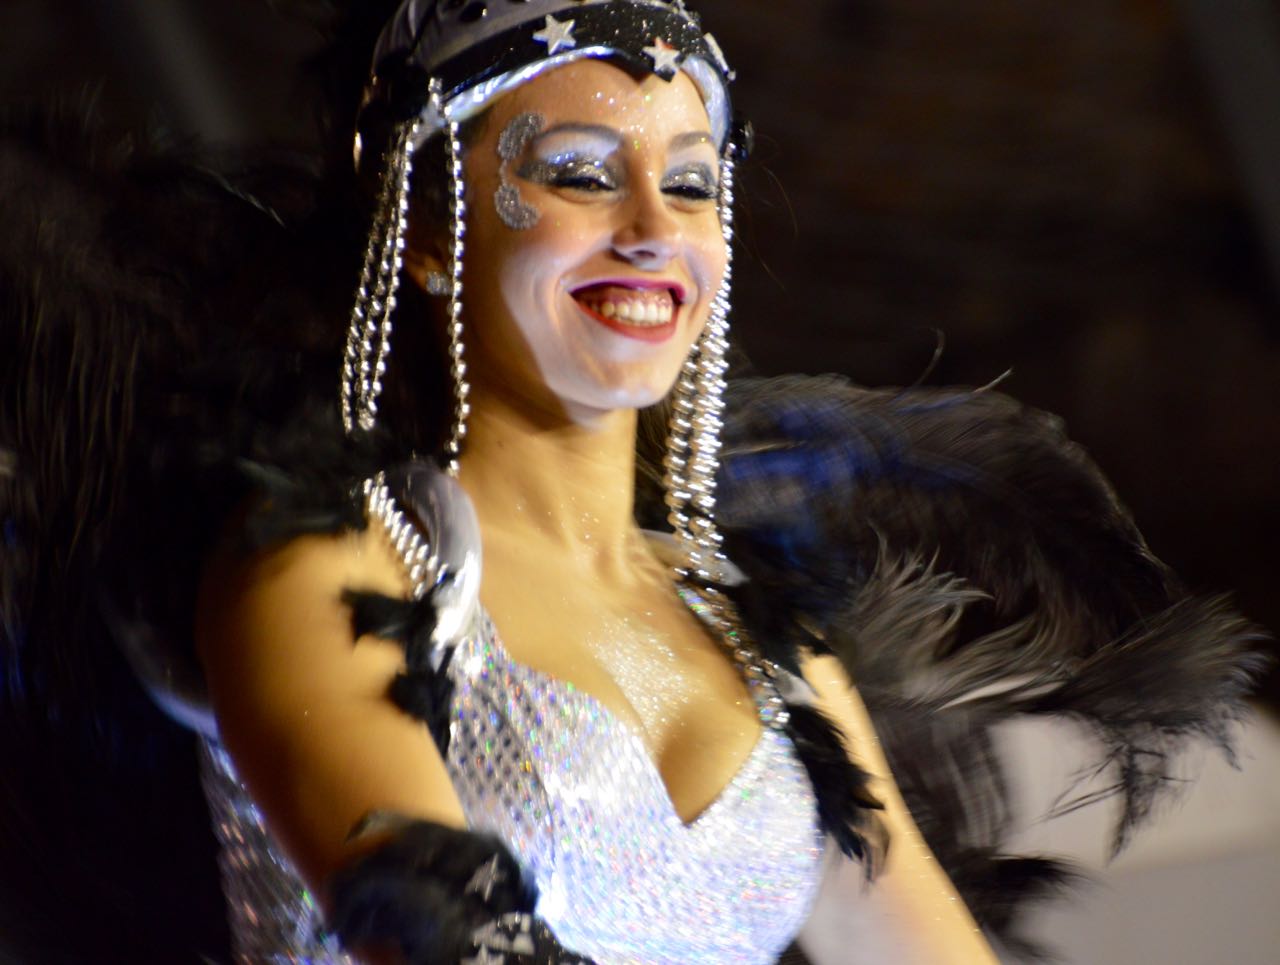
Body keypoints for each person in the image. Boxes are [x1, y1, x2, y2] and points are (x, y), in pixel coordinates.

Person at [0, 1, 1265, 963]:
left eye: (693, 181)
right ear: (430, 227)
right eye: (580, 171)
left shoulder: (768, 650)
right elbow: (429, 924)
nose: (654, 228)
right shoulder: (335, 560)